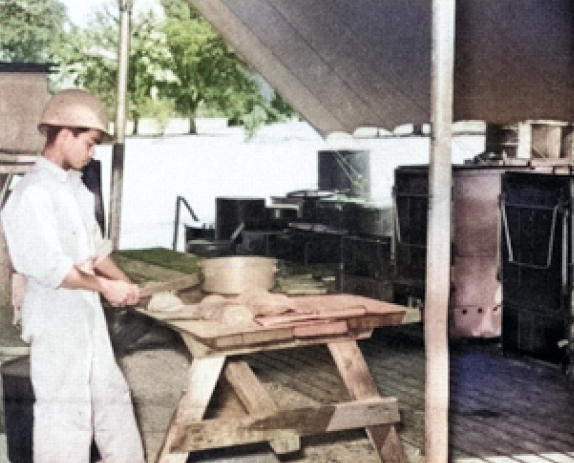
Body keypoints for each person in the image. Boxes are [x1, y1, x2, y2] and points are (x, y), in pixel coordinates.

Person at [1, 89, 145, 463]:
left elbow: (95, 252)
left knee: (113, 402)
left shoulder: (75, 189)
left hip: (85, 315)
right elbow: (54, 269)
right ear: (64, 134)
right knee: (65, 420)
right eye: (90, 142)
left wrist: (126, 284)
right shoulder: (32, 195)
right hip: (55, 319)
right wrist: (106, 287)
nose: (92, 152)